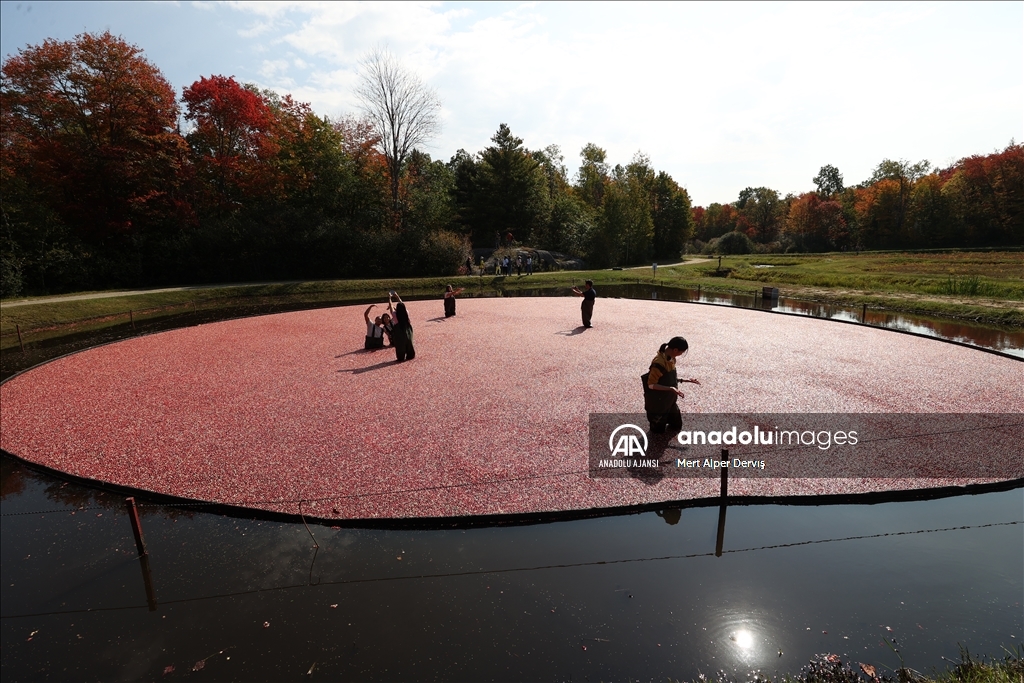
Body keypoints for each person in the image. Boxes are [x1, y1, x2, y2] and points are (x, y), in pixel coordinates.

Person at [642, 336, 700, 433]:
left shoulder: (672, 359)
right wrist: (671, 389)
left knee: (677, 426)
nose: (681, 355)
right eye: (681, 352)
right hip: (658, 403)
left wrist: (686, 380)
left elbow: (668, 378)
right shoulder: (659, 363)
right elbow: (651, 385)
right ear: (675, 350)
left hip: (670, 400)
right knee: (657, 432)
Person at [390, 292, 415, 362]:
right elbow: (402, 305)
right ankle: (410, 354)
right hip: (407, 331)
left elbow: (391, 308)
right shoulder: (406, 313)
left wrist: (389, 299)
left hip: (399, 333)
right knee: (409, 343)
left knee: (400, 346)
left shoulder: (395, 315)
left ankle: (401, 356)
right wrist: (397, 296)